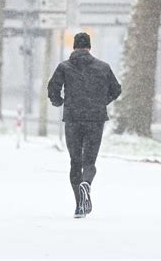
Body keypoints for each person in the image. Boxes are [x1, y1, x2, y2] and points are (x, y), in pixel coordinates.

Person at [48, 32, 122, 218]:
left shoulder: (64, 67)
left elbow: (53, 88)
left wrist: (59, 101)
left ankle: (80, 206)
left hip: (73, 119)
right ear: (89, 47)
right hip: (95, 120)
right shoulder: (103, 68)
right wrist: (101, 101)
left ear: (74, 47)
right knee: (89, 161)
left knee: (75, 162)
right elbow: (116, 89)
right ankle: (86, 183)